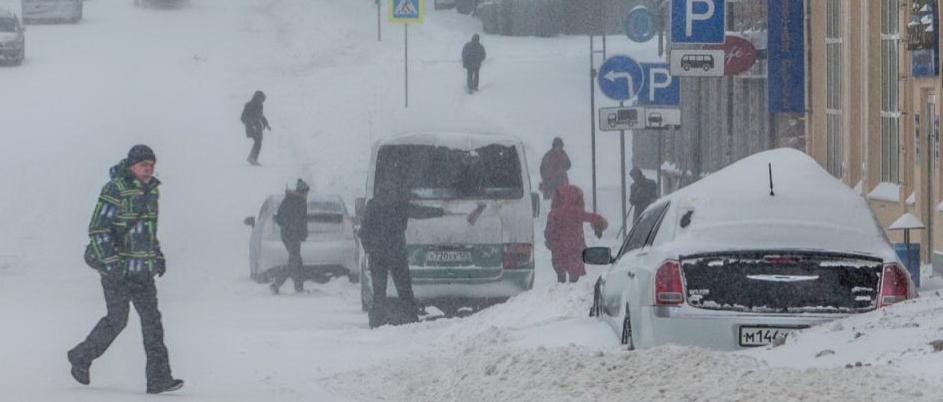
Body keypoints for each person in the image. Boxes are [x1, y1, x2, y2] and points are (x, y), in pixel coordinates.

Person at [68, 145, 184, 395]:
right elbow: (99, 229)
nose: (148, 169)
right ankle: (81, 356)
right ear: (131, 165)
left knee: (153, 323)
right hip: (117, 271)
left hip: (142, 270)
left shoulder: (152, 191)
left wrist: (158, 256)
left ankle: (159, 379)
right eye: (144, 164)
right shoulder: (115, 189)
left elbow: (147, 231)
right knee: (117, 320)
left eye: (152, 165)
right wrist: (111, 264)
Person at [357, 182, 446, 328]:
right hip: (396, 252)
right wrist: (440, 212)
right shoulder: (398, 204)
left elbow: (363, 232)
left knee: (379, 290)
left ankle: (376, 321)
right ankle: (410, 317)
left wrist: (370, 249)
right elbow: (420, 212)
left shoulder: (372, 205)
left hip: (377, 254)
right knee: (404, 288)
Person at [545, 184, 607, 283]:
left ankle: (561, 287)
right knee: (574, 273)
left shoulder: (554, 214)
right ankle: (572, 286)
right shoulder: (577, 212)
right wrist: (600, 225)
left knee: (560, 272)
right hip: (574, 247)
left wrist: (549, 241)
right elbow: (592, 217)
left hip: (558, 247)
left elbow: (549, 230)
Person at [270, 179, 310, 294]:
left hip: (288, 235)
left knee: (297, 260)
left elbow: (280, 218)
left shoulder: (289, 199)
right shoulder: (299, 201)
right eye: (306, 192)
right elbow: (302, 220)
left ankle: (298, 287)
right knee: (294, 261)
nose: (307, 195)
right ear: (303, 191)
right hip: (292, 235)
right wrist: (298, 231)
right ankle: (277, 284)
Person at [241, 90, 270, 166]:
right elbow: (243, 118)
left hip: (257, 126)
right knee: (258, 141)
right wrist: (251, 125)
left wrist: (266, 124)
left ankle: (252, 158)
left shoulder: (260, 106)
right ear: (257, 97)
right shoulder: (249, 105)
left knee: (258, 142)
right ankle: (252, 158)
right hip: (251, 126)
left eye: (263, 100)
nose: (262, 101)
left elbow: (261, 116)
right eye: (262, 99)